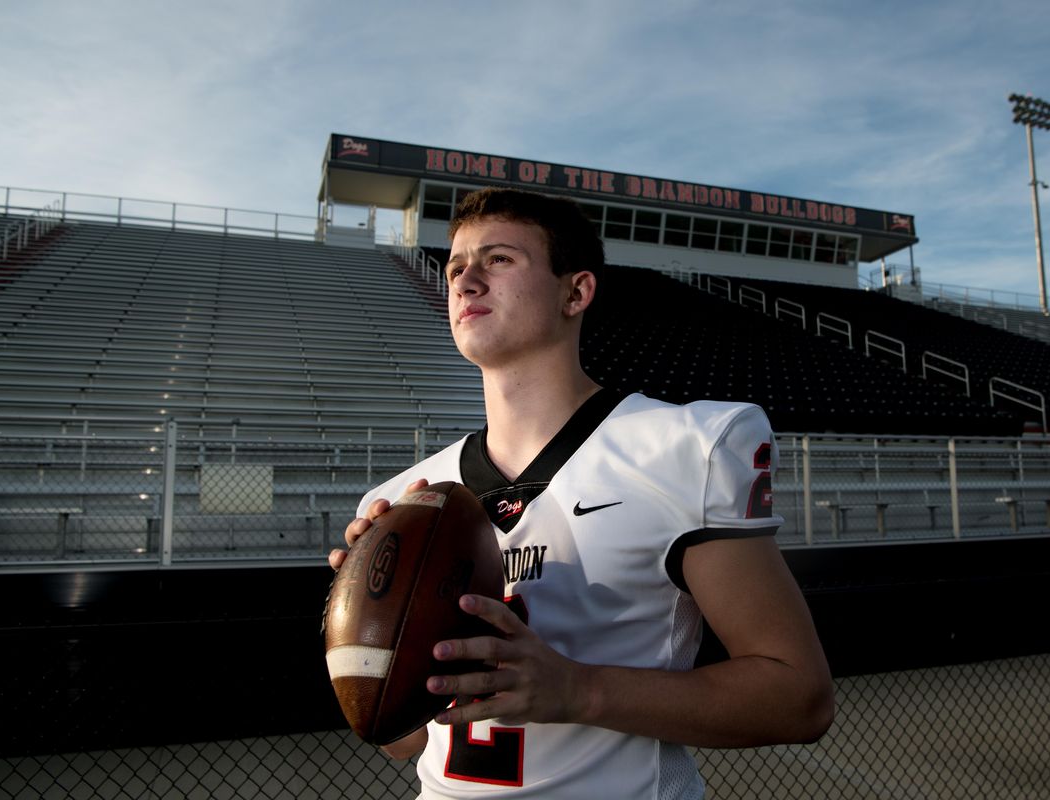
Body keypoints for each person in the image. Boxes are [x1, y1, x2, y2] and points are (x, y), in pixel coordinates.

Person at [328, 187, 833, 799]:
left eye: (499, 260)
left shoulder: (683, 445)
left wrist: (576, 689)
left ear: (577, 291)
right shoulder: (407, 499)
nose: (465, 281)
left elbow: (798, 698)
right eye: (456, 266)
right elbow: (404, 741)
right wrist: (370, 635)